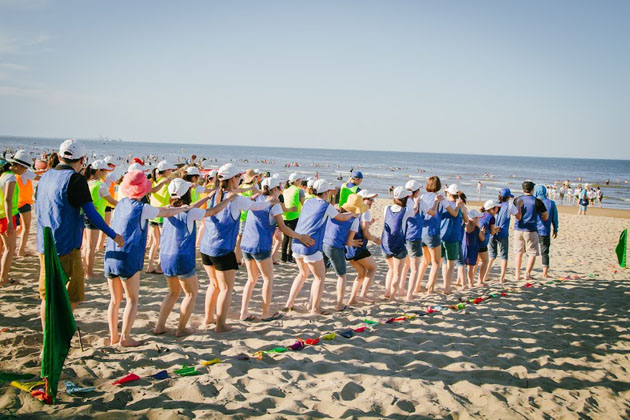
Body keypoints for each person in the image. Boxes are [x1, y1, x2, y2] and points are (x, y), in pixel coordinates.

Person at [36, 139, 123, 330]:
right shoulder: (75, 179)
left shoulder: (45, 176)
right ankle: (58, 331)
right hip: (66, 245)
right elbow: (92, 213)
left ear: (59, 157)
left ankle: (47, 336)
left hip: (44, 244)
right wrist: (112, 234)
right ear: (83, 160)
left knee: (48, 295)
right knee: (73, 294)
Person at [104, 170, 186, 346]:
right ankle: (125, 338)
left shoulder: (121, 203)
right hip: (128, 257)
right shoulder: (142, 208)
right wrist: (182, 208)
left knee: (114, 300)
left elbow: (162, 210)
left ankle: (113, 337)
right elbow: (165, 213)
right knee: (132, 299)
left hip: (111, 255)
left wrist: (171, 209)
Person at [153, 178, 235, 337]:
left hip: (166, 256)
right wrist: (229, 199)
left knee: (172, 293)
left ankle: (159, 327)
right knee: (191, 293)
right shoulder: (190, 212)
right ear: (187, 193)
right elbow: (213, 211)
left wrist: (207, 197)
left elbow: (190, 207)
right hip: (182, 256)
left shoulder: (168, 209)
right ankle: (181, 329)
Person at [200, 163, 272, 333]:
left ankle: (207, 319)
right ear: (233, 178)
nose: (240, 179)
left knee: (213, 285)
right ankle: (220, 325)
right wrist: (270, 202)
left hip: (206, 247)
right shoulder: (235, 199)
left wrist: (252, 196)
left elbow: (244, 198)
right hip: (222, 249)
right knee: (226, 288)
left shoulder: (214, 193)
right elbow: (255, 207)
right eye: (238, 177)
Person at [239, 176, 313, 321]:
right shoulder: (275, 205)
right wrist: (300, 237)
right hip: (260, 245)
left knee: (251, 280)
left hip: (247, 244)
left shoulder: (256, 199)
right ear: (274, 189)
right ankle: (265, 313)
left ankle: (244, 312)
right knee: (268, 279)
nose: (281, 190)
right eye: (279, 188)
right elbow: (284, 227)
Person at [284, 179, 355, 315]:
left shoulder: (308, 201)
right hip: (311, 244)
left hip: (298, 241)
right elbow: (341, 218)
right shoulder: (325, 205)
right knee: (319, 277)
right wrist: (353, 213)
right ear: (327, 192)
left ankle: (289, 303)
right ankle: (315, 308)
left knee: (302, 273)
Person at [322, 193, 363, 310]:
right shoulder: (354, 220)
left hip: (324, 243)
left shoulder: (335, 213)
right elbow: (349, 242)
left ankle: (313, 302)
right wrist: (354, 243)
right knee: (341, 276)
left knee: (320, 276)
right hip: (335, 247)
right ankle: (339, 304)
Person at [417, 176, 456, 294]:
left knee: (425, 261)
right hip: (433, 232)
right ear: (438, 186)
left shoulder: (422, 196)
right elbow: (453, 213)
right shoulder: (440, 198)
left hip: (422, 231)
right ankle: (430, 288)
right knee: (436, 262)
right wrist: (458, 206)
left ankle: (417, 286)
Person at [83, 159, 118, 279]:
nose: (107, 173)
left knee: (88, 246)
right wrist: (124, 204)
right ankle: (88, 272)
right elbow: (111, 201)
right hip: (95, 217)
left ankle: (87, 270)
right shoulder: (100, 185)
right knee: (91, 247)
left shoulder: (88, 182)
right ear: (99, 171)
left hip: (86, 216)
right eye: (105, 171)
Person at [346, 189, 381, 305]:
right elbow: (366, 233)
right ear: (363, 200)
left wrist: (369, 223)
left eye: (372, 199)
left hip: (349, 247)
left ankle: (352, 299)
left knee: (361, 272)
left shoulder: (353, 210)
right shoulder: (365, 211)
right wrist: (377, 240)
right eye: (370, 199)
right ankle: (363, 295)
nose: (372, 201)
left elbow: (359, 226)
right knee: (373, 268)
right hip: (358, 246)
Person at [381, 186, 415, 300]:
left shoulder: (387, 208)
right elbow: (414, 212)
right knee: (397, 272)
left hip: (385, 243)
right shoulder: (407, 211)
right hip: (398, 244)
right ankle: (392, 296)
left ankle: (387, 291)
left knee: (390, 269)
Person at [0, 153, 29, 286]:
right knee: (9, 248)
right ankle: (3, 279)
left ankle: (3, 276)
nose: (25, 171)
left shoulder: (3, 175)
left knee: (3, 248)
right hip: (6, 216)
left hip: (1, 214)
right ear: (17, 165)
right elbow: (7, 199)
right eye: (24, 168)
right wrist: (10, 222)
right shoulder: (10, 178)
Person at [513, 181, 548, 281]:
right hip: (531, 229)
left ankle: (517, 274)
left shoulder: (517, 199)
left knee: (518, 252)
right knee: (532, 252)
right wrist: (542, 217)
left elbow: (514, 212)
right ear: (532, 189)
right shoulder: (537, 201)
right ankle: (527, 274)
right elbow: (545, 215)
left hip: (518, 228)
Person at [146, 160, 175, 274]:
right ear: (167, 171)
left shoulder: (154, 181)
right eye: (170, 170)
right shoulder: (166, 182)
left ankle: (149, 266)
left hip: (153, 214)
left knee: (155, 242)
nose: (171, 171)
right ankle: (159, 267)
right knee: (163, 242)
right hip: (163, 214)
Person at [439, 184, 467, 295]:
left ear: (449, 194)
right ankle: (447, 288)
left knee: (444, 263)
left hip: (441, 235)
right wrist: (462, 209)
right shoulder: (460, 206)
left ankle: (445, 285)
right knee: (451, 265)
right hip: (453, 237)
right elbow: (466, 220)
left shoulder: (443, 204)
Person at [488, 188, 521, 283]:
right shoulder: (510, 205)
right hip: (502, 232)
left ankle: (486, 274)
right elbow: (518, 216)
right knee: (504, 256)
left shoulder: (495, 204)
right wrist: (518, 206)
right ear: (508, 197)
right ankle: (502, 278)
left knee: (492, 255)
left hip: (492, 231)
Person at [400, 180, 423, 300]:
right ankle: (409, 294)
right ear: (416, 191)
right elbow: (413, 214)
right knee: (414, 268)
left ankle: (401, 289)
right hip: (413, 236)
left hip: (405, 236)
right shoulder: (411, 202)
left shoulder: (404, 201)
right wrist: (417, 203)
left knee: (406, 265)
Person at [14, 150, 37, 257]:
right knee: (26, 228)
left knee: (19, 227)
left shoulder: (12, 173)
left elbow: (33, 174)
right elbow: (36, 177)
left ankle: (10, 243)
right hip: (24, 204)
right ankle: (21, 250)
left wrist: (43, 170)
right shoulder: (24, 172)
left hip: (16, 203)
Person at [534, 185, 558, 278]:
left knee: (531, 251)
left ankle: (528, 271)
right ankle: (545, 273)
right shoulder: (551, 203)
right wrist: (555, 229)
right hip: (545, 231)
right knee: (545, 252)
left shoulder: (534, 202)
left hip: (534, 230)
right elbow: (555, 218)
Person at [281, 173, 304, 263]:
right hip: (294, 215)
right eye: (300, 180)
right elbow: (304, 204)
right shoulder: (299, 190)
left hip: (284, 215)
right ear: (297, 181)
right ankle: (290, 257)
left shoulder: (286, 189)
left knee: (286, 237)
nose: (301, 181)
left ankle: (283, 257)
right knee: (293, 237)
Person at [476, 200, 499, 286]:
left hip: (475, 240)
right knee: (485, 261)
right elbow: (492, 232)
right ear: (491, 209)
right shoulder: (491, 218)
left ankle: (471, 281)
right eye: (495, 208)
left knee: (475, 262)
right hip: (482, 242)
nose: (497, 209)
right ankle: (480, 281)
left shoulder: (481, 215)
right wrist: (496, 229)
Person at [462, 210, 485, 287]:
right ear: (475, 218)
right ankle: (470, 283)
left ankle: (461, 282)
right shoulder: (476, 228)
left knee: (462, 265)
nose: (478, 219)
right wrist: (482, 232)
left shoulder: (465, 226)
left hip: (464, 247)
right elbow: (482, 239)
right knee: (470, 268)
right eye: (477, 218)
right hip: (472, 248)